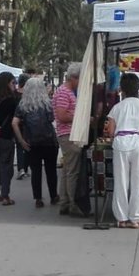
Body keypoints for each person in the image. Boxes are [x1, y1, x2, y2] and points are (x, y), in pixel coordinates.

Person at [105, 73, 139, 229]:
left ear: (122, 89)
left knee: (120, 182)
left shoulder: (117, 107)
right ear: (138, 88)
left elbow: (111, 131)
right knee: (138, 182)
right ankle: (136, 218)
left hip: (121, 144)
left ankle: (121, 218)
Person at [12, 77, 58, 208]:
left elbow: (14, 123)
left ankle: (38, 198)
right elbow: (53, 121)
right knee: (51, 170)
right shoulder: (48, 104)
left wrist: (21, 141)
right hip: (49, 142)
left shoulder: (23, 105)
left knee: (36, 171)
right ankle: (54, 196)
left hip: (31, 143)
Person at [53, 62, 87, 216]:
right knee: (72, 171)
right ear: (74, 78)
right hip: (68, 135)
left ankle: (65, 202)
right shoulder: (64, 92)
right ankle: (73, 203)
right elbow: (61, 115)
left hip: (69, 134)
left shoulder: (67, 92)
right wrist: (81, 117)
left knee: (68, 170)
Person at [0, 72, 18, 205]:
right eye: (13, 83)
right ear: (7, 84)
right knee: (6, 165)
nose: (15, 86)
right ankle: (5, 195)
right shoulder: (12, 100)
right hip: (5, 136)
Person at [14, 73, 33, 180]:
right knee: (27, 146)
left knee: (20, 146)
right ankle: (25, 168)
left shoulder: (14, 94)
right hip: (27, 124)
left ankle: (21, 168)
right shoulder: (29, 95)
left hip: (17, 123)